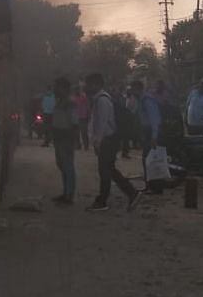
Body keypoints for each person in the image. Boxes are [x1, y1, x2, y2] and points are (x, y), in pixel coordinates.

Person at [84, 73, 142, 212]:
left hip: (107, 140)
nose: (86, 87)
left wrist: (97, 142)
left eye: (88, 84)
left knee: (106, 171)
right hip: (108, 140)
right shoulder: (100, 99)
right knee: (109, 170)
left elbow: (102, 124)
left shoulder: (102, 100)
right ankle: (130, 193)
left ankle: (104, 200)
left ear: (96, 84)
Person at [130, 80, 164, 194]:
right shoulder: (141, 100)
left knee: (151, 160)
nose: (132, 91)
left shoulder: (147, 100)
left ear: (138, 88)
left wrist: (154, 136)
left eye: (133, 89)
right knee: (149, 160)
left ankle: (155, 187)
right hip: (147, 131)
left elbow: (155, 119)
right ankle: (151, 186)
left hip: (151, 132)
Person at [51, 77, 78, 206]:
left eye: (58, 87)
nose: (55, 89)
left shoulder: (70, 103)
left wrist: (73, 138)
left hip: (66, 137)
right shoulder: (60, 101)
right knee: (62, 165)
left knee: (68, 166)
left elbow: (74, 122)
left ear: (65, 89)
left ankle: (69, 194)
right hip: (59, 137)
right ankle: (66, 192)